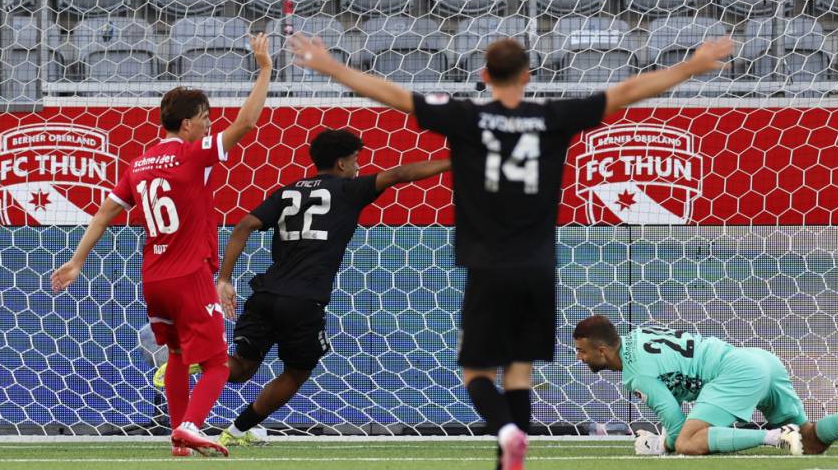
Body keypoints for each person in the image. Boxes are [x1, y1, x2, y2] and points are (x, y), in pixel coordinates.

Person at [289, 32, 733, 470]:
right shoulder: (553, 117)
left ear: (485, 76)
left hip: (487, 264)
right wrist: (692, 65)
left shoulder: (467, 118)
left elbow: (395, 96)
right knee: (519, 370)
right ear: (528, 75)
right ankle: (511, 461)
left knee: (477, 373)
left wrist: (329, 66)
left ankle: (505, 431)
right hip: (537, 265)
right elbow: (628, 91)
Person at [51, 34, 273, 457]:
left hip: (154, 279)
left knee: (176, 354)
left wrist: (77, 261)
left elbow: (104, 212)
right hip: (190, 275)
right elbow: (246, 123)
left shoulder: (139, 164)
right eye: (205, 118)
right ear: (187, 124)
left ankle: (178, 439)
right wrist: (264, 69)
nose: (210, 125)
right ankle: (190, 425)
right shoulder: (195, 155)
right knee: (216, 363)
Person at [214, 129, 450, 448]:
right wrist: (452, 162)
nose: (358, 166)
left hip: (265, 295)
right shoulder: (348, 190)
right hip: (303, 301)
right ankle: (237, 430)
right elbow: (399, 174)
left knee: (241, 368)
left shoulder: (287, 192)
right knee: (296, 372)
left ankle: (194, 361)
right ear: (341, 163)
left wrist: (224, 279)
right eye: (356, 160)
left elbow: (244, 225)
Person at [573, 315, 838, 456]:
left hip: (735, 371)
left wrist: (660, 444)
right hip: (761, 361)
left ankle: (774, 436)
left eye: (582, 351)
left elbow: (678, 429)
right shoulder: (638, 335)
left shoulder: (636, 374)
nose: (579, 358)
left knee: (689, 442)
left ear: (602, 350)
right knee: (811, 442)